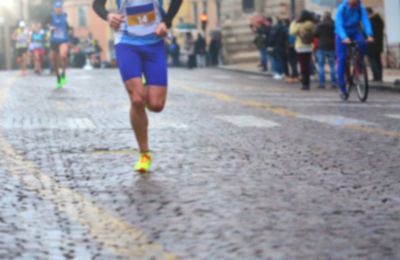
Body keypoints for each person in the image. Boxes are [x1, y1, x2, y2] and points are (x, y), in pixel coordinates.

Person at [93, 0, 183, 173]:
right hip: (126, 43)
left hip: (154, 42)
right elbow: (97, 5)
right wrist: (108, 16)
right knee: (137, 99)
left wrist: (166, 22)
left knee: (156, 105)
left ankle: (143, 91)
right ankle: (144, 153)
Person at [335, 0, 374, 100]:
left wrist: (369, 34)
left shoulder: (360, 9)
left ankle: (359, 62)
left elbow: (365, 21)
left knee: (362, 43)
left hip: (355, 32)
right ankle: (342, 87)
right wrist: (344, 37)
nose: (355, 2)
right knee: (342, 59)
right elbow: (338, 24)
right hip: (341, 34)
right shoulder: (342, 9)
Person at [46, 1, 72, 88]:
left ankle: (63, 73)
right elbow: (45, 24)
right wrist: (50, 27)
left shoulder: (65, 15)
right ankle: (58, 76)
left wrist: (70, 30)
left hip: (63, 40)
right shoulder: (51, 16)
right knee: (54, 60)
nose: (58, 10)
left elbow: (66, 25)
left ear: (62, 9)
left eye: (60, 8)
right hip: (54, 41)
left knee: (63, 56)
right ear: (54, 9)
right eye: (57, 9)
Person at [290, 10, 316, 90]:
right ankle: (307, 83)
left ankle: (305, 84)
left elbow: (292, 32)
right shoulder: (312, 24)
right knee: (307, 64)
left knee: (302, 65)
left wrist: (293, 23)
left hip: (301, 47)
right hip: (309, 46)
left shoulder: (300, 25)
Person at [315, 12, 337, 89]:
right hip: (331, 46)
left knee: (321, 66)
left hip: (321, 47)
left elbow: (315, 34)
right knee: (332, 66)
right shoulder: (334, 25)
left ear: (324, 17)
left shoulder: (320, 25)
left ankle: (322, 83)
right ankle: (333, 83)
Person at [366, 7, 384, 82]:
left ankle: (376, 77)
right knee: (378, 60)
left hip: (371, 44)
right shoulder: (379, 20)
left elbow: (366, 33)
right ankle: (379, 77)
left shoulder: (369, 21)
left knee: (372, 61)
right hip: (379, 44)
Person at [284, 18, 299, 83]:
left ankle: (294, 74)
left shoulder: (286, 30)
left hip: (290, 47)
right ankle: (295, 73)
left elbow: (286, 39)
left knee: (291, 61)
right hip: (296, 46)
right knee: (295, 61)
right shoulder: (294, 29)